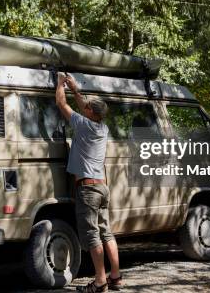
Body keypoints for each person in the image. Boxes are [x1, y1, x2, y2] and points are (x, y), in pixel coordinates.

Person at [55, 73, 123, 293]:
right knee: (107, 233)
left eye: (87, 107)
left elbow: (60, 103)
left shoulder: (82, 125)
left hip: (88, 189)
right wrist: (74, 87)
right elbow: (84, 104)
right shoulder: (102, 128)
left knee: (93, 235)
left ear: (90, 113)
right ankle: (116, 277)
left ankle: (100, 281)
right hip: (102, 187)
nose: (84, 107)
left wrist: (60, 84)